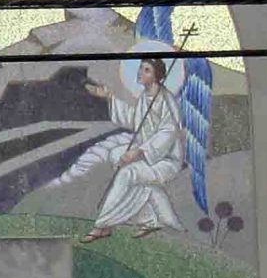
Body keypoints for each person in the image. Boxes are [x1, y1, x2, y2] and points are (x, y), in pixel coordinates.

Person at [76, 57, 188, 241]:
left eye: (146, 70)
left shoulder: (165, 100)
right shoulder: (145, 97)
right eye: (141, 68)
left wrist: (138, 152)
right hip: (148, 154)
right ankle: (149, 219)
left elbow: (168, 133)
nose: (140, 72)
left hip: (165, 159)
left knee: (127, 174)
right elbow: (134, 119)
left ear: (157, 76)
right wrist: (109, 97)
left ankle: (102, 225)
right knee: (115, 155)